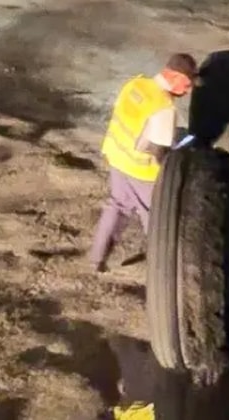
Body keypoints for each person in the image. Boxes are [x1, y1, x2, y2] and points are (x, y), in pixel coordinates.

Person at [89, 53, 198, 273]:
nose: (188, 91)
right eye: (186, 85)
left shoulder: (135, 84)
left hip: (117, 156)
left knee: (117, 205)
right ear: (174, 76)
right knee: (156, 215)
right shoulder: (164, 108)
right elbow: (159, 152)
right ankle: (162, 268)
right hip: (141, 170)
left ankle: (96, 259)